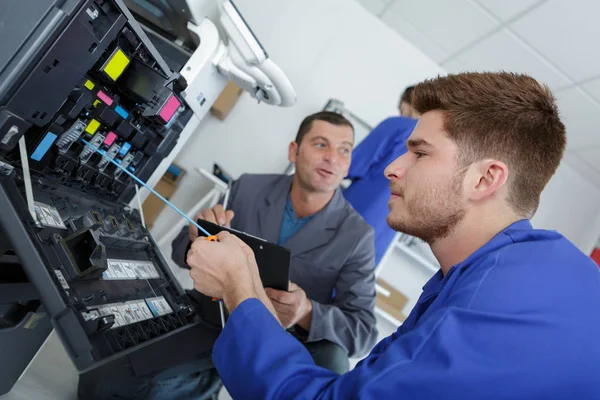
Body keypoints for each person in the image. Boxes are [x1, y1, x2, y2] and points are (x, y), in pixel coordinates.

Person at [186, 72, 600, 399]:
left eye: (419, 153)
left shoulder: (485, 308)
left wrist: (241, 289)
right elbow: (374, 375)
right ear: (296, 151)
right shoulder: (481, 277)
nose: (391, 169)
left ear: (485, 179)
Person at [172, 111, 379, 374]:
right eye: (320, 144)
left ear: (348, 165)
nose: (332, 157)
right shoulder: (248, 188)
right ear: (294, 151)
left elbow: (363, 331)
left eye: (344, 150)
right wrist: (200, 238)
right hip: (217, 317)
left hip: (285, 341)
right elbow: (179, 250)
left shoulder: (357, 236)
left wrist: (306, 311)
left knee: (333, 361)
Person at [344, 85, 419, 265]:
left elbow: (352, 165)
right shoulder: (439, 148)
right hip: (384, 233)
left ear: (407, 104)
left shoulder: (398, 124)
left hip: (354, 214)